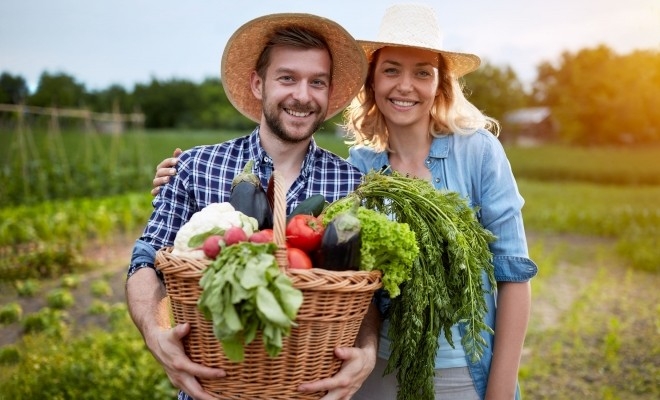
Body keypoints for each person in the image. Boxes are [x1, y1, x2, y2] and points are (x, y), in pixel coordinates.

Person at [153, 4, 538, 399]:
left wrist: (501, 392)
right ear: (372, 82)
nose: (405, 85)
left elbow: (513, 274)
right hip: (371, 370)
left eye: (423, 72)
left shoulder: (477, 153)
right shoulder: (359, 171)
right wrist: (177, 176)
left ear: (439, 86)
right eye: (391, 70)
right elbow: (350, 276)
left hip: (460, 369)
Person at [127, 13, 381, 400]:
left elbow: (364, 293)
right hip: (213, 389)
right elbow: (145, 258)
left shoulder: (352, 186)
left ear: (329, 93)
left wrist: (367, 351)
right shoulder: (196, 167)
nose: (302, 95)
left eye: (317, 82)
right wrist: (154, 332)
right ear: (258, 83)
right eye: (287, 78)